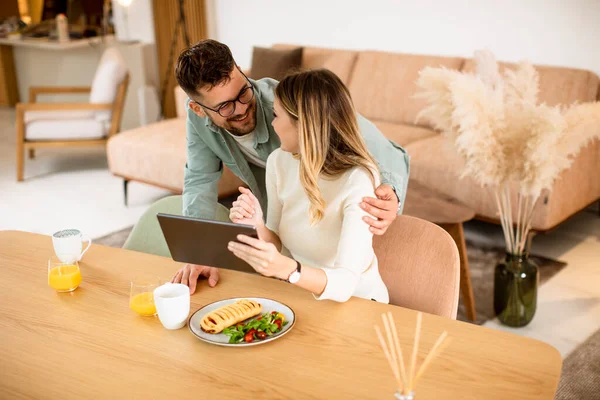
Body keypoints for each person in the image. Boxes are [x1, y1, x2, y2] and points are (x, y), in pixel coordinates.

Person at [170, 39, 409, 294]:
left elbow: (377, 145)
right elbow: (199, 179)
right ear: (199, 109)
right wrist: (201, 252)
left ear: (240, 71)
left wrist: (390, 192)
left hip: (342, 288)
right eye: (225, 107)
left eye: (243, 93)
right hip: (297, 272)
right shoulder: (279, 163)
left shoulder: (287, 100)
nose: (241, 108)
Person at [228, 69, 389, 302]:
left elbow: (345, 283)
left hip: (359, 302)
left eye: (276, 115)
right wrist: (257, 225)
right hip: (301, 295)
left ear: (302, 124)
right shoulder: (278, 162)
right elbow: (279, 244)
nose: (272, 124)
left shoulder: (358, 179)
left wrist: (288, 270)